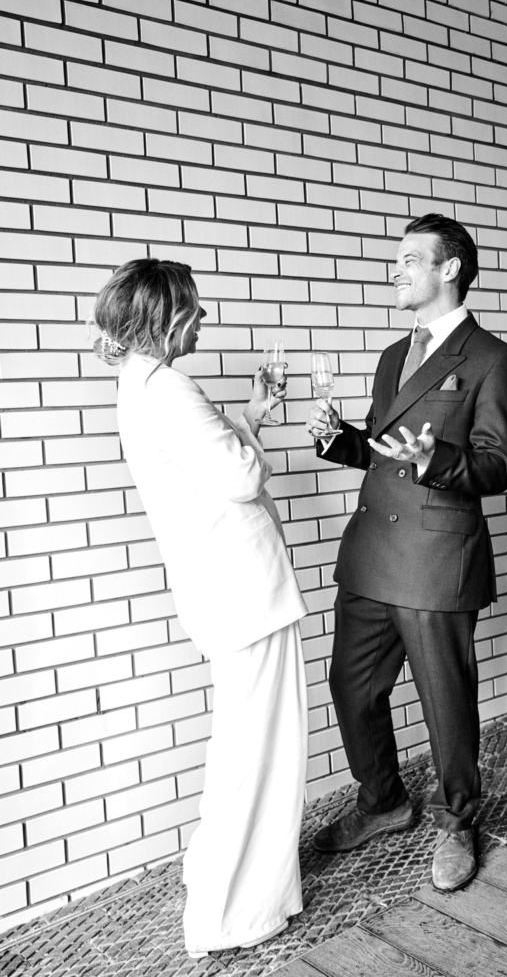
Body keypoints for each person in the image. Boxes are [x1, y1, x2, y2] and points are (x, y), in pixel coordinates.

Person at [93, 259, 308, 957]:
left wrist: (246, 418)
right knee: (259, 750)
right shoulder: (171, 388)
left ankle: (230, 886)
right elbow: (240, 477)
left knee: (245, 744)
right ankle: (232, 913)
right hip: (244, 592)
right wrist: (250, 442)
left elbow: (204, 464)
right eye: (195, 307)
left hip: (222, 591)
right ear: (167, 317)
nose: (205, 318)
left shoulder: (141, 384)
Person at [307, 214, 507, 891]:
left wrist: (437, 459)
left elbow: (495, 467)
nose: (395, 270)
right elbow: (383, 446)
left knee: (445, 702)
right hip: (372, 552)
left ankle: (457, 821)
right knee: (352, 686)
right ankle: (383, 802)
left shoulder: (494, 359)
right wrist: (339, 439)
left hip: (436, 560)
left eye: (409, 259)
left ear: (449, 268)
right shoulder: (391, 356)